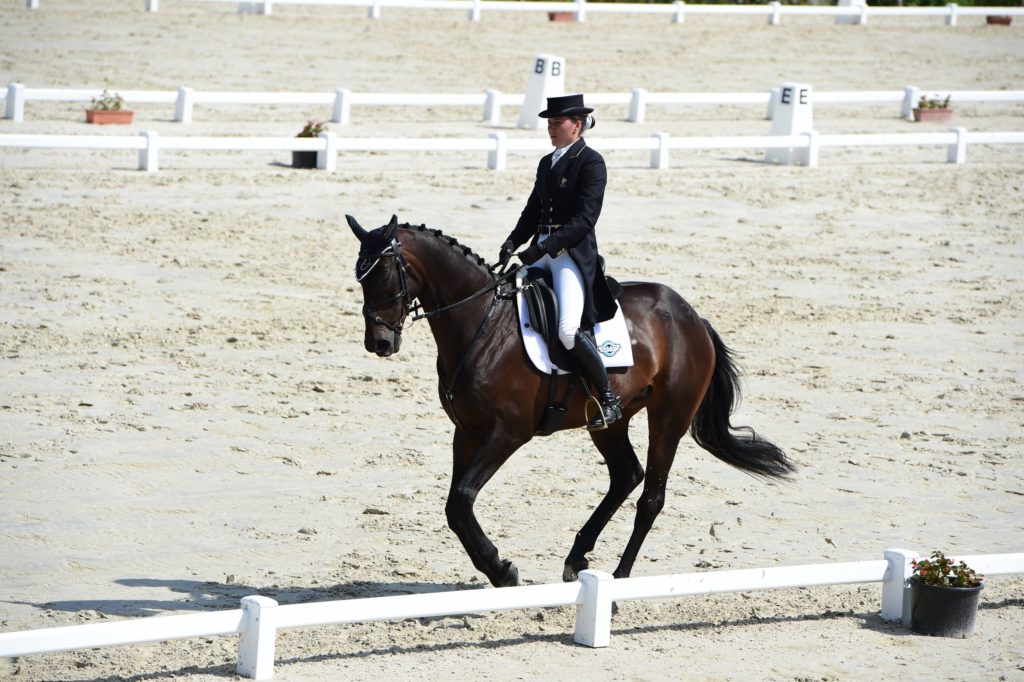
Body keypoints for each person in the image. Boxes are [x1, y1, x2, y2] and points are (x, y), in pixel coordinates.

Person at [496, 93, 622, 431]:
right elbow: (533, 210)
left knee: (567, 329)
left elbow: (585, 219)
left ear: (576, 126)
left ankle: (609, 398)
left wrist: (545, 247)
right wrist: (513, 240)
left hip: (570, 257)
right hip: (541, 249)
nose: (551, 129)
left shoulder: (591, 162)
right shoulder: (546, 162)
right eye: (549, 124)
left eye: (557, 123)